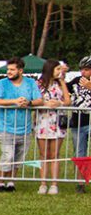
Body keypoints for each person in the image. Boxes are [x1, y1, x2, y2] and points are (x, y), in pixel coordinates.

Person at [0, 56, 43, 192]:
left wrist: (28, 103)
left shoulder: (31, 83)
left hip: (25, 127)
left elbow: (39, 100)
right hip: (6, 126)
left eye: (12, 69)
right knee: (7, 155)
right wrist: (14, 101)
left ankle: (11, 182)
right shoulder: (2, 83)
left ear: (20, 70)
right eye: (8, 69)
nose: (9, 72)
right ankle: (0, 182)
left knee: (18, 158)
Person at [35, 59, 71, 195]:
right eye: (57, 69)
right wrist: (45, 104)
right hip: (42, 121)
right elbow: (35, 100)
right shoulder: (39, 84)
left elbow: (68, 101)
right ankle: (43, 183)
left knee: (55, 154)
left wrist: (59, 104)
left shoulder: (60, 83)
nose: (59, 72)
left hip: (57, 122)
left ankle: (54, 184)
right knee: (44, 154)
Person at [68, 56, 91, 193]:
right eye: (81, 69)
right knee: (79, 153)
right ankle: (80, 182)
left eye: (87, 70)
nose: (83, 72)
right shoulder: (76, 81)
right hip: (78, 123)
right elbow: (64, 90)